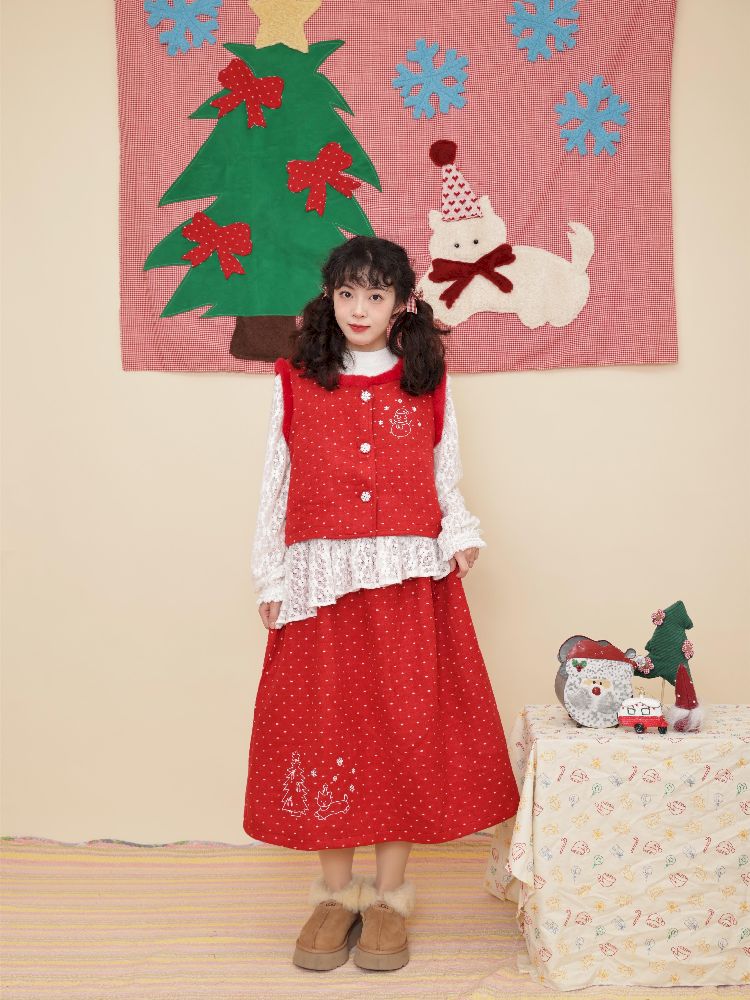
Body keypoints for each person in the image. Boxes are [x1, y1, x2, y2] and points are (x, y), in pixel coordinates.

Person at [242, 235, 520, 973]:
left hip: (406, 579)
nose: (359, 309)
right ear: (329, 299)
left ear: (401, 304)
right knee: (326, 728)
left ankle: (391, 897)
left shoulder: (426, 378)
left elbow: (445, 473)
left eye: (375, 295)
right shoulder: (296, 377)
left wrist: (459, 534)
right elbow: (274, 481)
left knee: (404, 730)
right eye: (347, 293)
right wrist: (271, 577)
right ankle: (336, 896)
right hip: (320, 581)